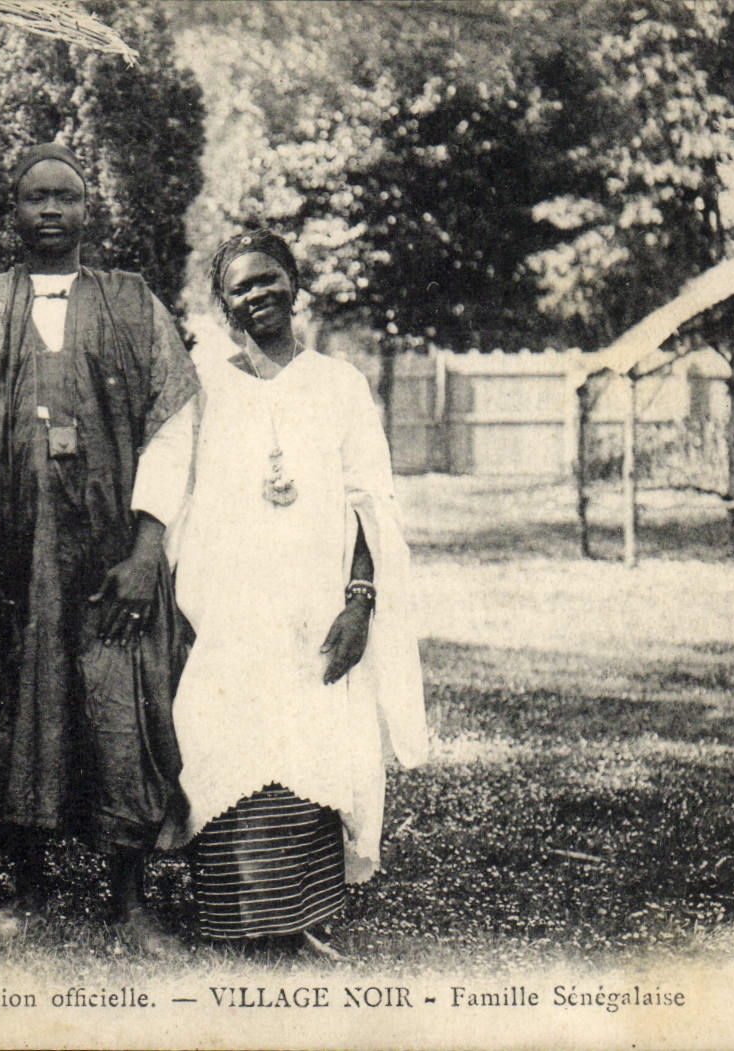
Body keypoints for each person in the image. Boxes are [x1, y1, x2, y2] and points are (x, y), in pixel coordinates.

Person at [0, 142, 199, 953]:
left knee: (123, 713)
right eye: (34, 198)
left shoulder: (132, 303)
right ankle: (27, 890)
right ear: (11, 213)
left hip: (112, 558)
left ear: (88, 210)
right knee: (13, 714)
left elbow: (175, 424)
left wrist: (147, 548)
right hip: (7, 562)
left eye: (65, 197)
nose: (50, 211)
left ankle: (130, 901)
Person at [166, 229, 428, 956]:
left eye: (269, 278)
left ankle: (300, 913)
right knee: (223, 736)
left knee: (311, 738)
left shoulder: (339, 384)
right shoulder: (202, 385)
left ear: (294, 281)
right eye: (241, 287)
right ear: (223, 305)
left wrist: (360, 600)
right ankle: (236, 913)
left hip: (316, 606)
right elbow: (173, 490)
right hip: (225, 610)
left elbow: (371, 503)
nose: (258, 295)